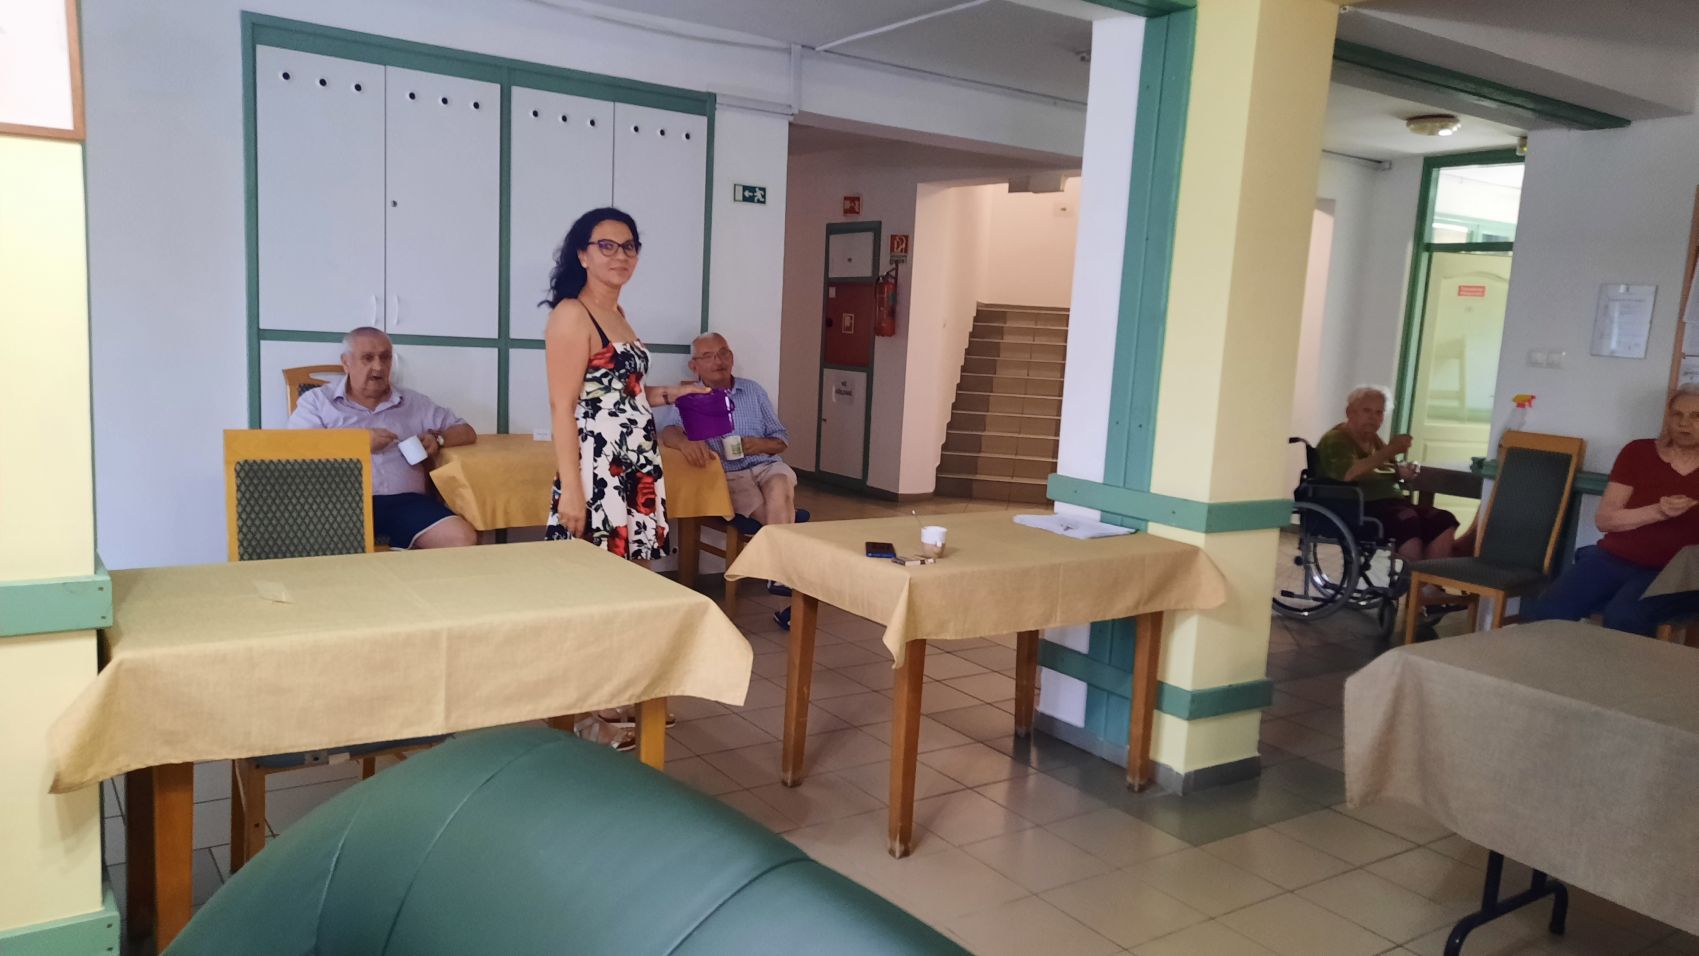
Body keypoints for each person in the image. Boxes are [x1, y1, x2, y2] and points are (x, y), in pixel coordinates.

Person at [541, 206, 706, 749]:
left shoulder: (618, 313)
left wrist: (675, 394)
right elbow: (564, 407)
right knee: (593, 591)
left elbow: (624, 395)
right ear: (583, 255)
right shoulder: (572, 314)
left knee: (628, 584)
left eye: (629, 246)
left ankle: (618, 691)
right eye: (606, 246)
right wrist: (572, 491)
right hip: (597, 469)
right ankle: (589, 710)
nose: (620, 256)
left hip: (634, 463)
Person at [1526, 386, 1699, 635]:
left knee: (1624, 616)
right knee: (1550, 608)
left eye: (1696, 416)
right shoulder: (1638, 452)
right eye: (1677, 414)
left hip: (1675, 570)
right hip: (1614, 557)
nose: (1684, 423)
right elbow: (1605, 520)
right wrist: (1658, 511)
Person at [653, 333, 799, 628]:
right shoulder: (691, 396)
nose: (718, 361)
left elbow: (781, 438)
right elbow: (669, 431)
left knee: (780, 485)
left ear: (731, 357)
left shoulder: (753, 391)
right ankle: (785, 590)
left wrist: (759, 444)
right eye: (708, 356)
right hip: (728, 476)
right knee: (772, 515)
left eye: (723, 353)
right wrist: (685, 443)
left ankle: (779, 577)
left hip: (766, 465)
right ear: (694, 365)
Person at [288, 326, 478, 550]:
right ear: (346, 362)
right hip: (339, 504)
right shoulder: (317, 401)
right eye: (368, 358)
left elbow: (466, 431)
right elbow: (297, 449)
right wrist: (358, 444)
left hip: (406, 503)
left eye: (385, 357)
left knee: (462, 538)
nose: (378, 366)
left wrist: (438, 440)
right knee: (319, 551)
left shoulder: (414, 403)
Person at [1314, 386, 1459, 570]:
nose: (1373, 417)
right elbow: (1349, 473)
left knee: (1443, 520)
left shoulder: (1373, 439)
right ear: (1350, 412)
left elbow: (1384, 467)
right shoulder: (1337, 439)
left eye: (1379, 412)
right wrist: (1390, 450)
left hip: (1390, 503)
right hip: (1356, 506)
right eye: (1367, 410)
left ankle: (1428, 582)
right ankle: (1412, 581)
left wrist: (1401, 471)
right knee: (1407, 520)